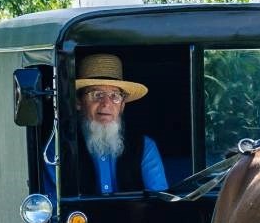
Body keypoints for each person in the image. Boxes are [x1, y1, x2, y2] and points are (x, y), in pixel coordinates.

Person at [44, 53, 168, 196]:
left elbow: (159, 204)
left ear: (122, 105)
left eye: (115, 96)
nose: (106, 104)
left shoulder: (145, 146)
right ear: (78, 102)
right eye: (97, 94)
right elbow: (54, 208)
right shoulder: (57, 149)